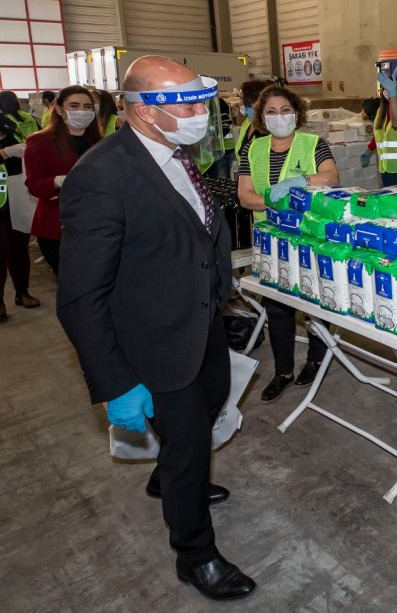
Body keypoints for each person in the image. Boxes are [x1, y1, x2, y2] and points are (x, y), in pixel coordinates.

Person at [56, 56, 256, 600]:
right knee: (188, 444)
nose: (200, 115)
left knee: (213, 399)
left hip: (199, 319)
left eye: (201, 102)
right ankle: (196, 554)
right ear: (144, 110)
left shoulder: (175, 151)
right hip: (155, 338)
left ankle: (166, 478)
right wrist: (116, 382)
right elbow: (79, 297)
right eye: (187, 105)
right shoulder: (102, 176)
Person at [237, 85, 341, 402]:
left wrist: (301, 181)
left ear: (296, 114)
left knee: (314, 300)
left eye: (285, 110)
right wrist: (276, 204)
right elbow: (245, 196)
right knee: (276, 306)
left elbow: (331, 177)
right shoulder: (253, 148)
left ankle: (316, 360)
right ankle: (283, 371)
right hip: (270, 240)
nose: (279, 117)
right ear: (261, 116)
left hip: (307, 236)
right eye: (271, 111)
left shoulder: (313, 144)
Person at [24, 85, 102, 275]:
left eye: (87, 106)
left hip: (98, 225)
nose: (81, 111)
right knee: (72, 283)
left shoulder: (102, 142)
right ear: (59, 110)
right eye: (74, 106)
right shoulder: (40, 142)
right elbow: (34, 185)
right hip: (57, 228)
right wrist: (58, 181)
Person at [0, 118, 38, 318]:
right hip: (1, 197)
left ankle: (22, 292)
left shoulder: (10, 126)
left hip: (17, 194)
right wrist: (4, 153)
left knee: (19, 247)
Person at [234, 79, 269, 163]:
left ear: (254, 100)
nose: (240, 103)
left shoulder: (268, 129)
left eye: (242, 99)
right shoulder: (248, 122)